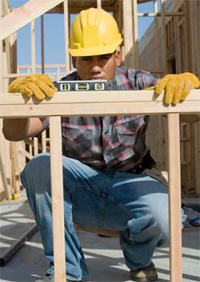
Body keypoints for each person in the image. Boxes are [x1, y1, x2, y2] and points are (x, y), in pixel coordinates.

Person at [3, 8, 200, 282]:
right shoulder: (58, 92)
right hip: (84, 190)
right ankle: (67, 271)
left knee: (165, 215)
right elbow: (15, 134)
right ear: (74, 58)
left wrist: (187, 92)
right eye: (86, 58)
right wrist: (19, 106)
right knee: (39, 166)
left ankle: (139, 260)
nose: (95, 66)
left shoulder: (137, 83)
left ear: (117, 55)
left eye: (103, 57)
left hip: (132, 185)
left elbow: (190, 116)